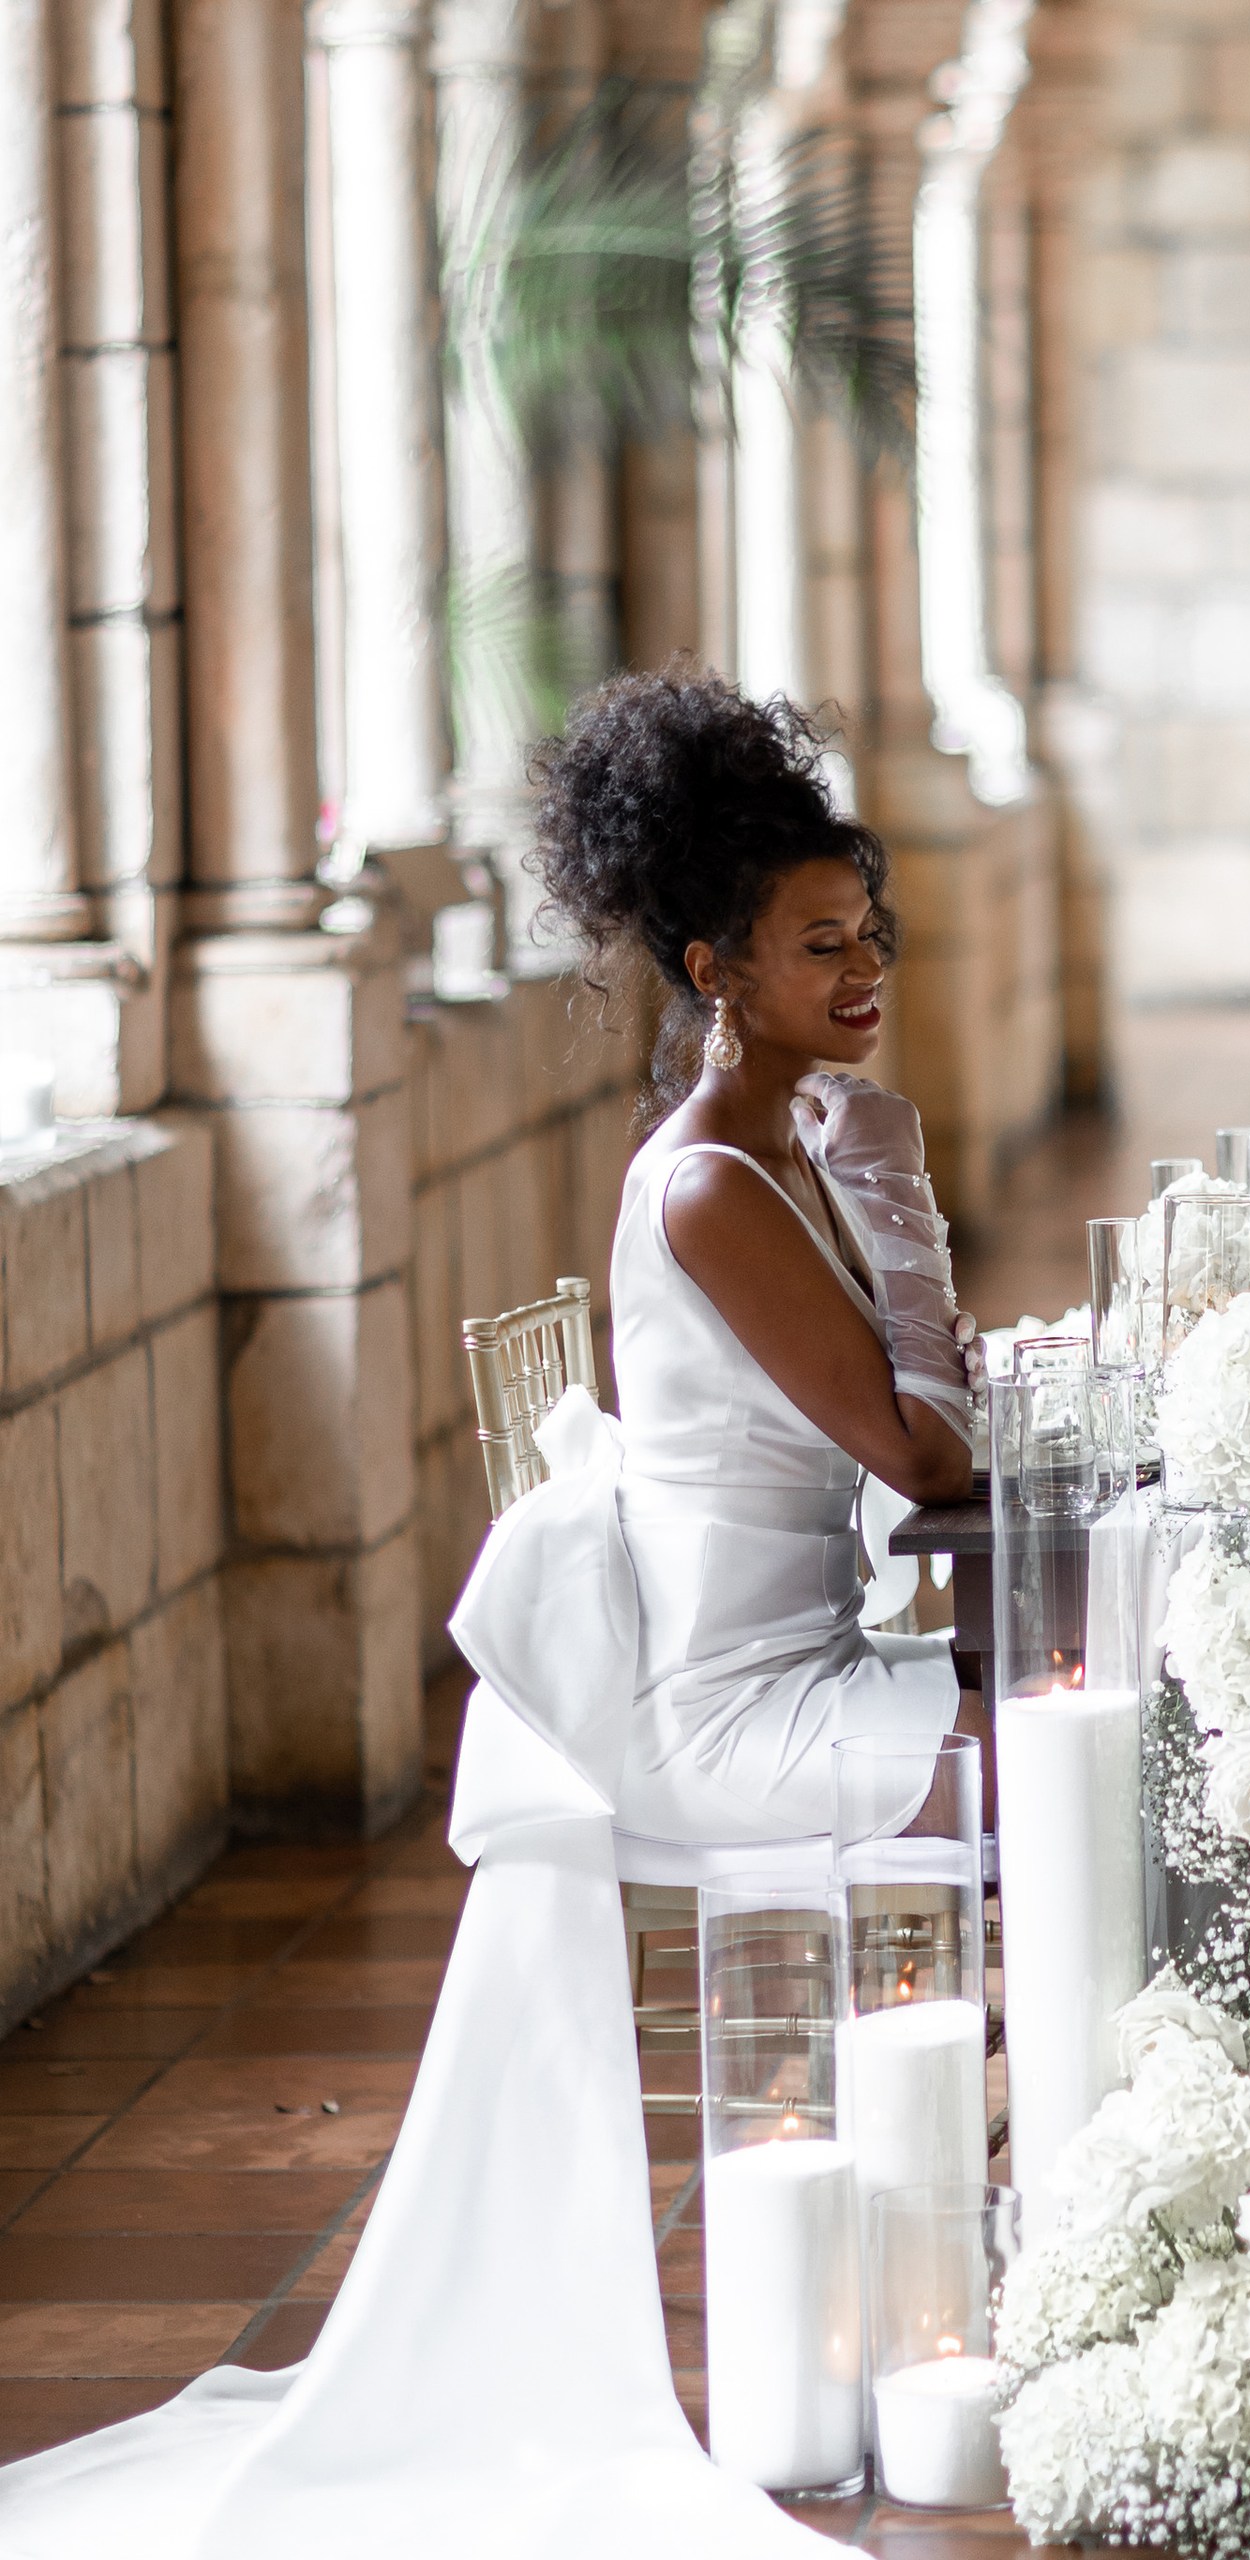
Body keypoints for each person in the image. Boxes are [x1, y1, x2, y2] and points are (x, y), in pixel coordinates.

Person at [0, 672, 980, 2555]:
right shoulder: (717, 1185)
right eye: (817, 944)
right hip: (735, 1716)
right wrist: (910, 1203)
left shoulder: (780, 1150)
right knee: (1055, 1740)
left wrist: (878, 1209)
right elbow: (925, 1454)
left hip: (807, 1652)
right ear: (715, 966)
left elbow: (904, 1435)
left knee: (1056, 1710)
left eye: (870, 934)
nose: (863, 971)